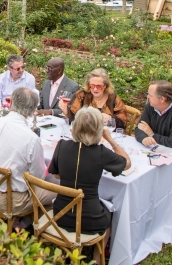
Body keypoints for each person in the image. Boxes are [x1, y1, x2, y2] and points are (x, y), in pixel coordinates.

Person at [48, 107, 130, 264]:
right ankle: (97, 259)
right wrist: (111, 140)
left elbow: (56, 175)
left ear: (75, 126)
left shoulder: (62, 145)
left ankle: (74, 255)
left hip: (60, 214)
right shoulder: (100, 152)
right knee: (111, 213)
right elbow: (126, 163)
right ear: (99, 129)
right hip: (91, 219)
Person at [0, 87, 56, 215]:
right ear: (33, 110)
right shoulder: (31, 139)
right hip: (7, 201)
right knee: (58, 190)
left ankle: (25, 222)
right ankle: (35, 225)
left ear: (11, 102)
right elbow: (38, 178)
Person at [60, 68, 127, 128]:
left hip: (105, 136)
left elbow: (123, 123)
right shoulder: (82, 95)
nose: (95, 89)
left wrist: (110, 118)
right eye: (92, 86)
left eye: (99, 86)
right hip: (85, 133)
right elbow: (73, 118)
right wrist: (66, 111)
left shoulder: (113, 99)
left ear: (105, 86)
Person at [135, 80, 172, 149]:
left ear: (162, 99)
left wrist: (152, 135)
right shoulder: (151, 106)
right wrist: (144, 139)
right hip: (155, 150)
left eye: (150, 95)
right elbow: (139, 127)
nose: (147, 97)